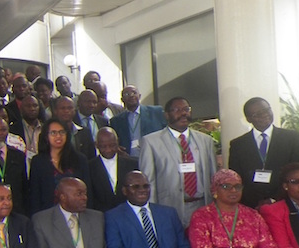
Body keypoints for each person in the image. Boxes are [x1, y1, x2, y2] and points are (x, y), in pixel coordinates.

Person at [139, 97, 217, 228]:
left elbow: (213, 177)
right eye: (177, 110)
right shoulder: (151, 142)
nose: (183, 113)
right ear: (166, 115)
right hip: (168, 208)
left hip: (201, 206)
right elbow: (148, 181)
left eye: (186, 109)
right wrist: (153, 213)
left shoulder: (205, 140)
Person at [227, 97, 299, 209]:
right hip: (251, 206)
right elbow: (236, 178)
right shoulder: (238, 145)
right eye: (257, 114)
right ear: (249, 119)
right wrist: (255, 202)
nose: (264, 115)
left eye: (266, 110)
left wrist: (274, 199)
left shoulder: (291, 138)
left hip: (285, 202)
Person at [27, 118, 91, 215]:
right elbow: (35, 195)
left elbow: (87, 190)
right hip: (48, 215)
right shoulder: (38, 162)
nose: (58, 136)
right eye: (53, 133)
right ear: (46, 136)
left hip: (77, 213)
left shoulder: (80, 159)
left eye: (62, 132)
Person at [87, 127, 136, 212]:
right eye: (103, 146)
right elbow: (90, 198)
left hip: (128, 214)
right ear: (96, 145)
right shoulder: (89, 167)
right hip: (101, 217)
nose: (108, 150)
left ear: (118, 142)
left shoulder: (132, 164)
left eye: (112, 145)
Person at [109, 85, 166, 157]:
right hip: (128, 160)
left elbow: (167, 132)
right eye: (127, 94)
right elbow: (114, 142)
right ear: (122, 99)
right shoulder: (115, 121)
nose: (131, 96)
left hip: (154, 156)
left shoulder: (156, 112)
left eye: (134, 93)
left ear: (139, 96)